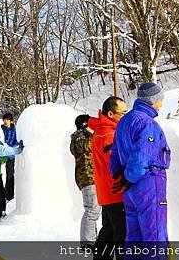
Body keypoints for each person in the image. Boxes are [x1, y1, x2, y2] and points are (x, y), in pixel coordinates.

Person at [110, 83, 170, 259]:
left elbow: (114, 152)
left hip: (130, 190)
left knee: (134, 236)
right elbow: (142, 155)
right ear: (154, 100)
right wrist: (129, 177)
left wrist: (119, 175)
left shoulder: (124, 120)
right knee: (154, 234)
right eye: (161, 98)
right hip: (148, 183)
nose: (162, 101)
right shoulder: (147, 123)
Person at [89, 96, 128, 260]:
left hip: (107, 192)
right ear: (111, 114)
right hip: (115, 192)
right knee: (121, 236)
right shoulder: (108, 134)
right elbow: (116, 162)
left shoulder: (102, 130)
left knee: (108, 232)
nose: (125, 116)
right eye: (123, 113)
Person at [70, 114, 100, 249]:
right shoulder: (81, 138)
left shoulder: (80, 137)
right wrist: (92, 132)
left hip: (89, 178)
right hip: (88, 177)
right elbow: (89, 146)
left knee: (93, 210)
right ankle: (88, 242)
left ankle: (92, 239)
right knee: (92, 210)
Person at [1, 113, 19, 202]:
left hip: (10, 155)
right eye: (4, 119)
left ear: (11, 121)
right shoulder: (1, 129)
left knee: (10, 174)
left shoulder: (14, 130)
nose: (5, 121)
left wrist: (10, 148)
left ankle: (9, 195)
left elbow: (14, 141)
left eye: (7, 120)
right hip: (1, 154)